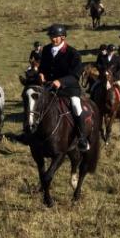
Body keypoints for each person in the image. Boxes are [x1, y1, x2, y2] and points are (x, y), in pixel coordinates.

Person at [37, 24, 90, 152]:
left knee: (76, 106)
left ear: (63, 37)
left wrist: (60, 81)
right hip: (49, 87)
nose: (52, 39)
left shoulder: (73, 54)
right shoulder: (46, 50)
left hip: (69, 89)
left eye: (55, 37)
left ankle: (82, 138)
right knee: (34, 102)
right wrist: (41, 74)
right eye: (51, 36)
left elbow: (75, 75)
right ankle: (30, 132)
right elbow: (43, 67)